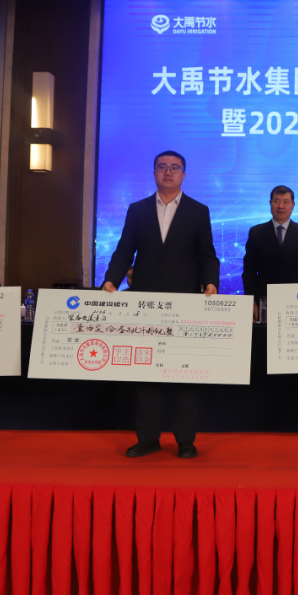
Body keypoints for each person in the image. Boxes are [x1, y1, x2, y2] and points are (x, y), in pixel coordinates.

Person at [101, 150, 220, 459]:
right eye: (162, 167)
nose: (168, 172)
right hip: (146, 302)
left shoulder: (198, 211)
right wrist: (111, 279)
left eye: (175, 167)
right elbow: (124, 250)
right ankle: (148, 439)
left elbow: (207, 254)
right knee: (146, 375)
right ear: (154, 172)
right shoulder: (137, 209)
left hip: (185, 303)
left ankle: (185, 441)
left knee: (185, 376)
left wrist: (211, 282)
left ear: (184, 174)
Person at [242, 186, 298, 320]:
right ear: (270, 203)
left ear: (293, 205)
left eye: (286, 202)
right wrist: (251, 301)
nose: (281, 206)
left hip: (297, 301)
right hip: (264, 302)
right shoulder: (256, 233)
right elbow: (249, 272)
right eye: (276, 201)